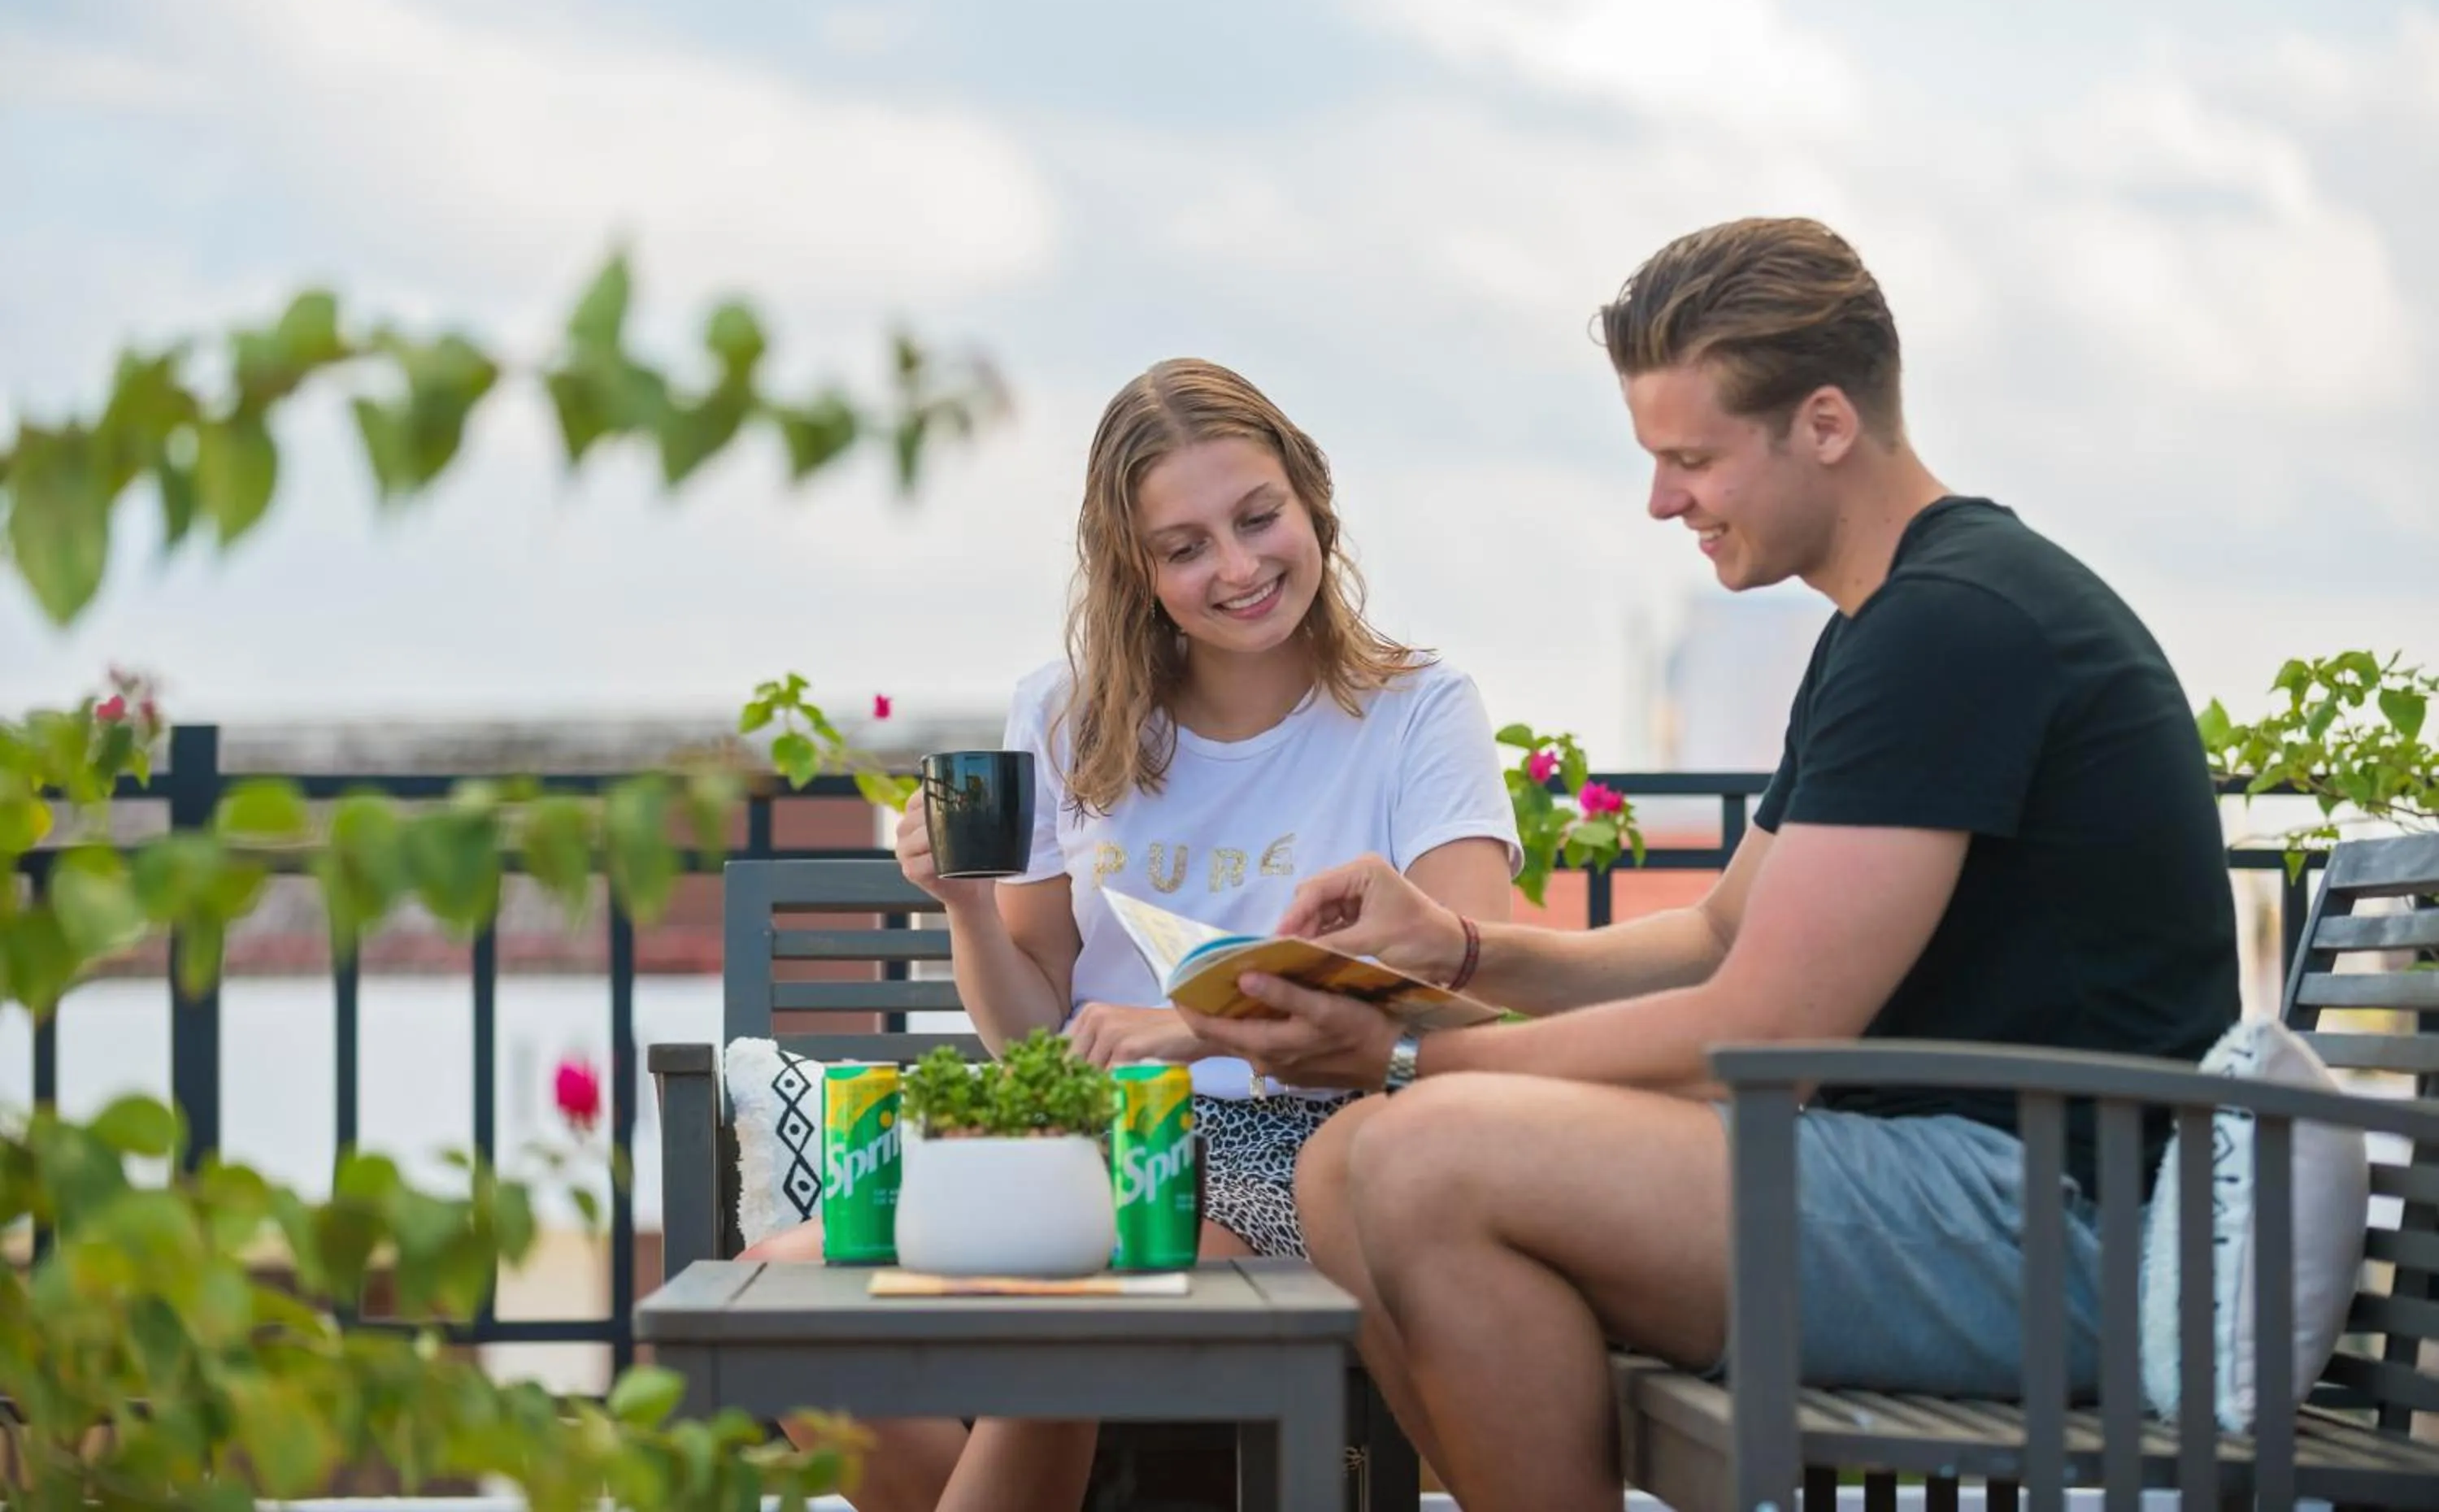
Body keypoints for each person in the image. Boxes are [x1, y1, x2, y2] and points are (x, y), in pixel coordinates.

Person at [1178, 219, 2241, 1512]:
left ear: (1828, 425)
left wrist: (1403, 1059)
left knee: (1416, 1151)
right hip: (1961, 1188)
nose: (1662, 500)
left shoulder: (1956, 627)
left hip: (2067, 1233)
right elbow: (1718, 937)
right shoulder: (1888, 626)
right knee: (1341, 1170)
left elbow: (1764, 1029)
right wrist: (1460, 952)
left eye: (1692, 458)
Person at [742, 356, 1521, 1512]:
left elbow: (1466, 992)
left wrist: (1192, 1029)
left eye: (1259, 518)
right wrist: (962, 901)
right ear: (1136, 570)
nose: (1241, 567)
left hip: (1322, 1155)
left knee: (1075, 1279)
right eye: (1187, 545)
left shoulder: (1418, 710)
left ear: (1312, 501)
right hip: (1092, 1146)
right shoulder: (1065, 715)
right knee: (777, 1299)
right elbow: (1035, 1049)